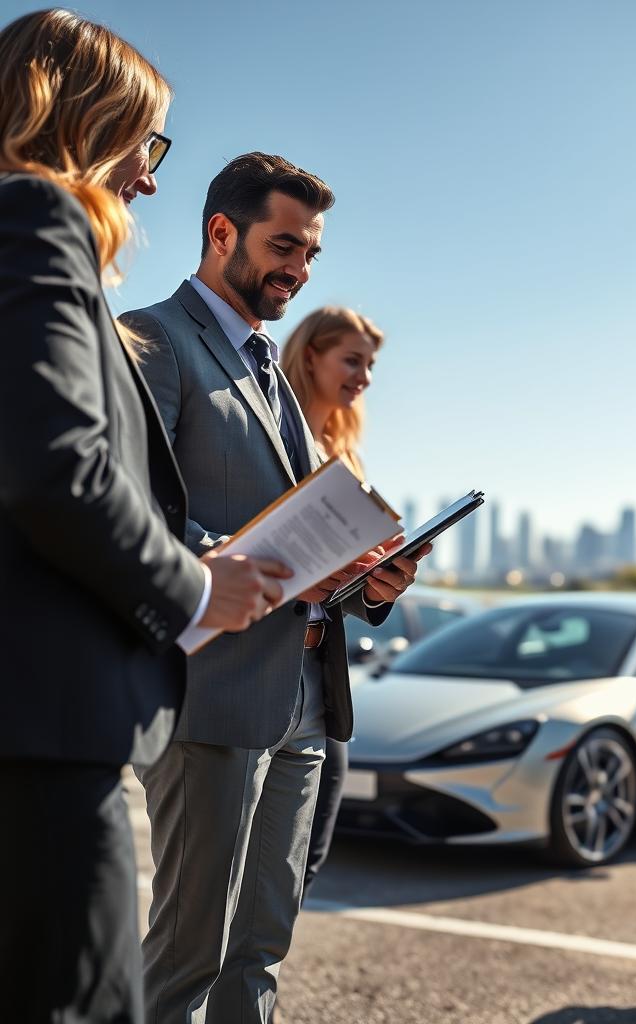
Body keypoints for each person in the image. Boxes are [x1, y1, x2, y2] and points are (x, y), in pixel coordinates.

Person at [0, 11, 288, 1022]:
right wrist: (200, 583)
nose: (151, 176)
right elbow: (58, 472)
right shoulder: (35, 223)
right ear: (82, 118)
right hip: (43, 732)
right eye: (145, 141)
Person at [122, 152, 427, 1023]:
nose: (297, 268)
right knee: (190, 954)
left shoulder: (267, 366)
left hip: (304, 696)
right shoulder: (152, 339)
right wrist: (255, 563)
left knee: (258, 952)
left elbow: (297, 524)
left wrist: (367, 581)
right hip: (214, 693)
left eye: (310, 254)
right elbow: (127, 509)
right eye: (283, 245)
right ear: (222, 233)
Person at [280, 305, 403, 894]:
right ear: (311, 355)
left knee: (305, 864)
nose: (365, 377)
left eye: (370, 364)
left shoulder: (348, 456)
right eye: (352, 360)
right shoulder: (274, 434)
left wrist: (379, 579)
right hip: (263, 668)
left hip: (324, 678)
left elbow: (342, 591)